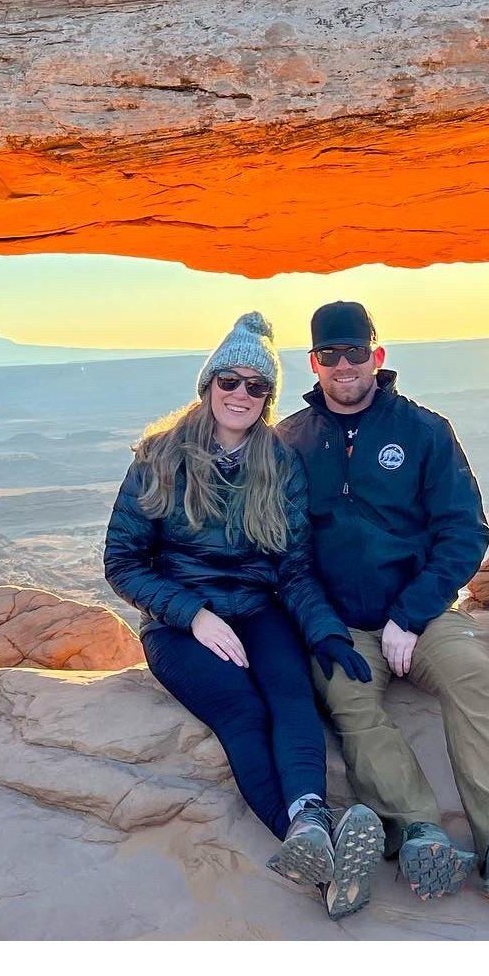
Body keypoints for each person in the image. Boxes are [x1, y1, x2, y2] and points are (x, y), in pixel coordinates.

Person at [276, 300, 489, 904]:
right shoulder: (290, 442)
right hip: (343, 624)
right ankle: (419, 831)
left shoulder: (424, 431)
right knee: (349, 700)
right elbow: (288, 557)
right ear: (314, 364)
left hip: (424, 612)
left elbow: (464, 531)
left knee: (470, 671)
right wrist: (323, 628)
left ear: (377, 357)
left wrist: (411, 616)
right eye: (330, 355)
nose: (344, 365)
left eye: (355, 352)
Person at [103, 311, 386, 919]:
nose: (240, 395)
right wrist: (193, 614)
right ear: (208, 386)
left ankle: (310, 821)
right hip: (184, 622)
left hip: (258, 609)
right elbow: (123, 562)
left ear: (268, 398)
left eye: (256, 387)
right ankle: (319, 861)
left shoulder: (277, 463)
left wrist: (325, 632)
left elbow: (293, 567)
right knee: (243, 713)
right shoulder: (159, 458)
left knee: (292, 697)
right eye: (228, 381)